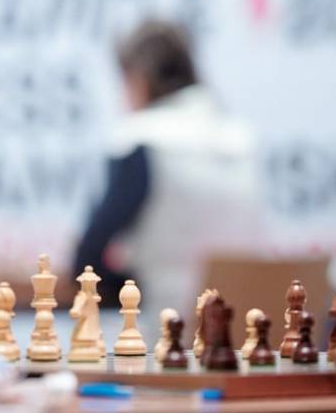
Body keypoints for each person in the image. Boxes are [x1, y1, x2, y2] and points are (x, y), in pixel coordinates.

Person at [73, 19, 260, 313]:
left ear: (138, 81)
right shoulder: (241, 141)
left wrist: (128, 286)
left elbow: (87, 260)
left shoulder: (140, 141)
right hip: (242, 321)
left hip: (164, 324)